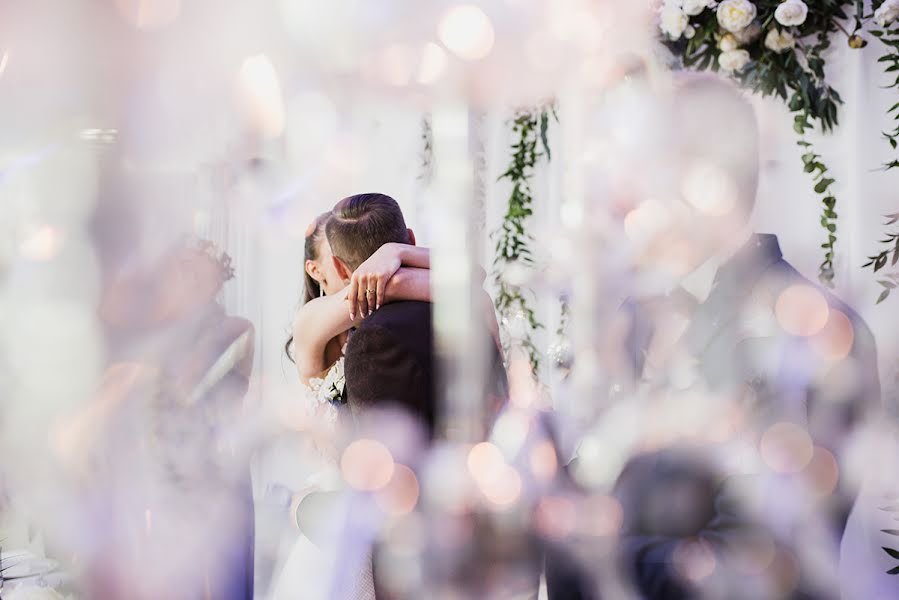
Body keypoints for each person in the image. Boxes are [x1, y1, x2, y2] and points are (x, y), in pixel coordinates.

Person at [548, 73, 883, 599]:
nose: (622, 200)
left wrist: (578, 538)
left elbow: (756, 562)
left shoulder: (817, 335)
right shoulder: (635, 317)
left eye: (643, 171)